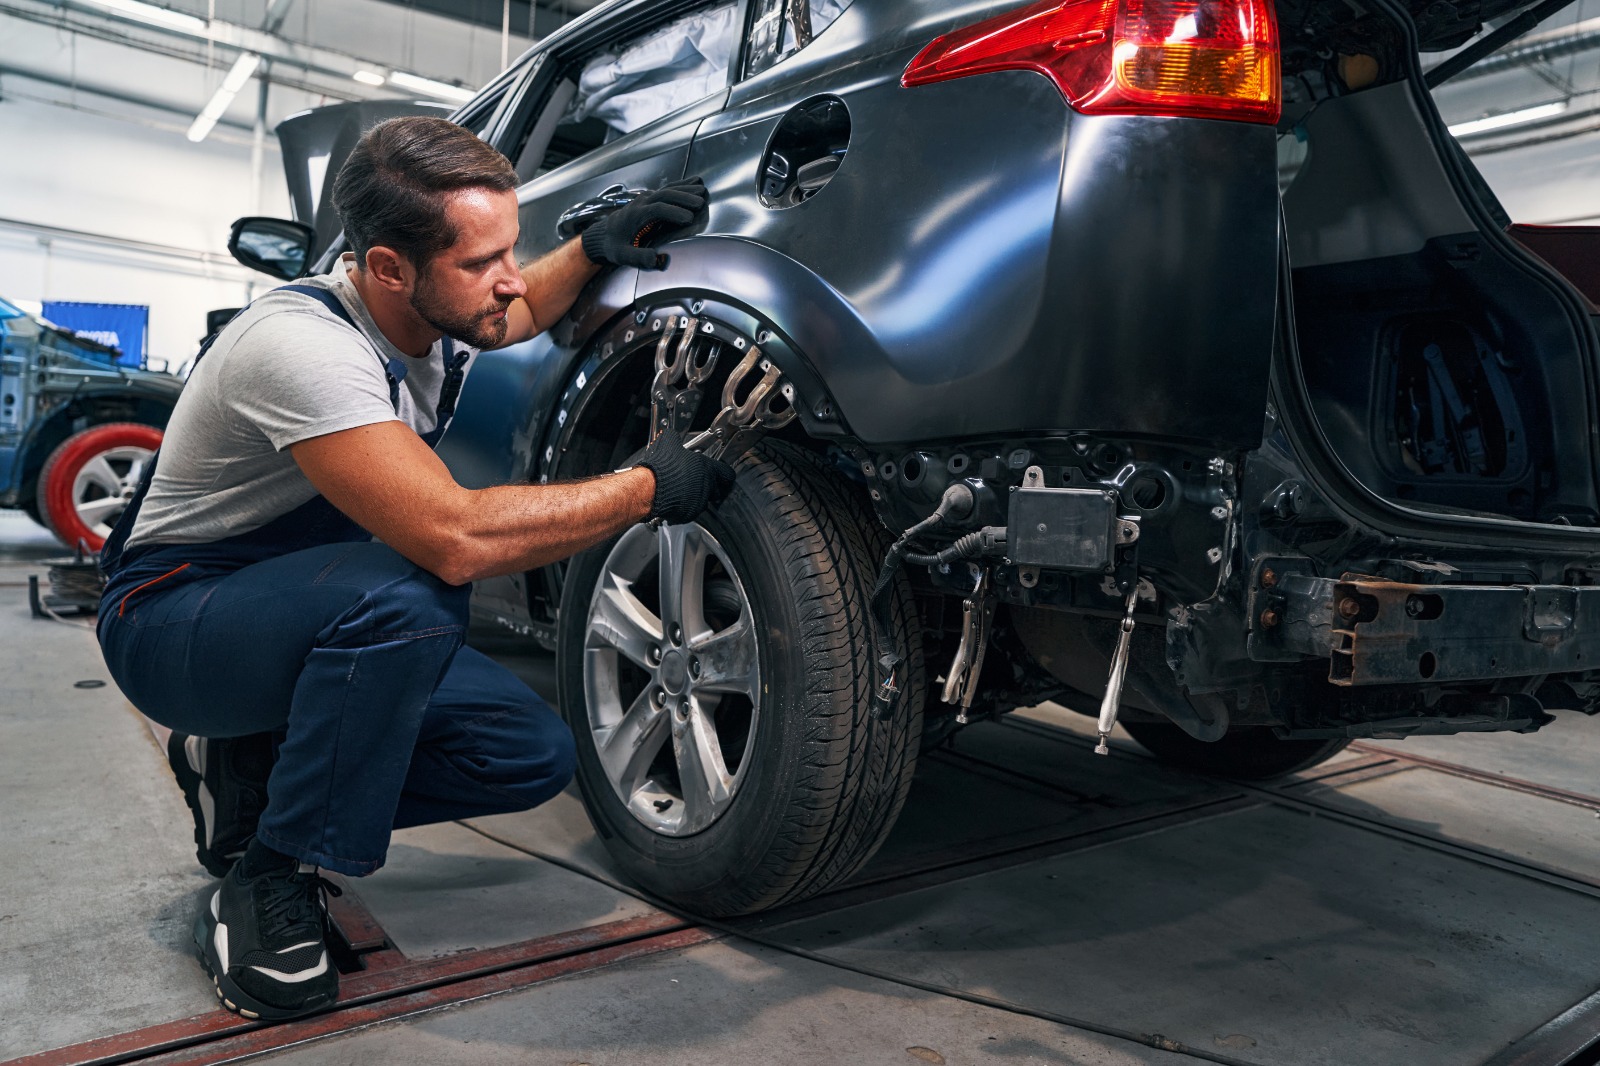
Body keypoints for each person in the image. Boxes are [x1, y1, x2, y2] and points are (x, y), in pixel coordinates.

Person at [96, 116, 734, 1023]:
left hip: (297, 606)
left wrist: (588, 250)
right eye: (483, 262)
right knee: (415, 589)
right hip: (173, 618)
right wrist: (644, 486)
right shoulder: (304, 347)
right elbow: (456, 536)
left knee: (526, 754)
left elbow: (514, 310)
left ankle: (244, 772)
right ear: (389, 268)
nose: (507, 280)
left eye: (510, 247)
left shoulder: (435, 304)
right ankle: (267, 879)